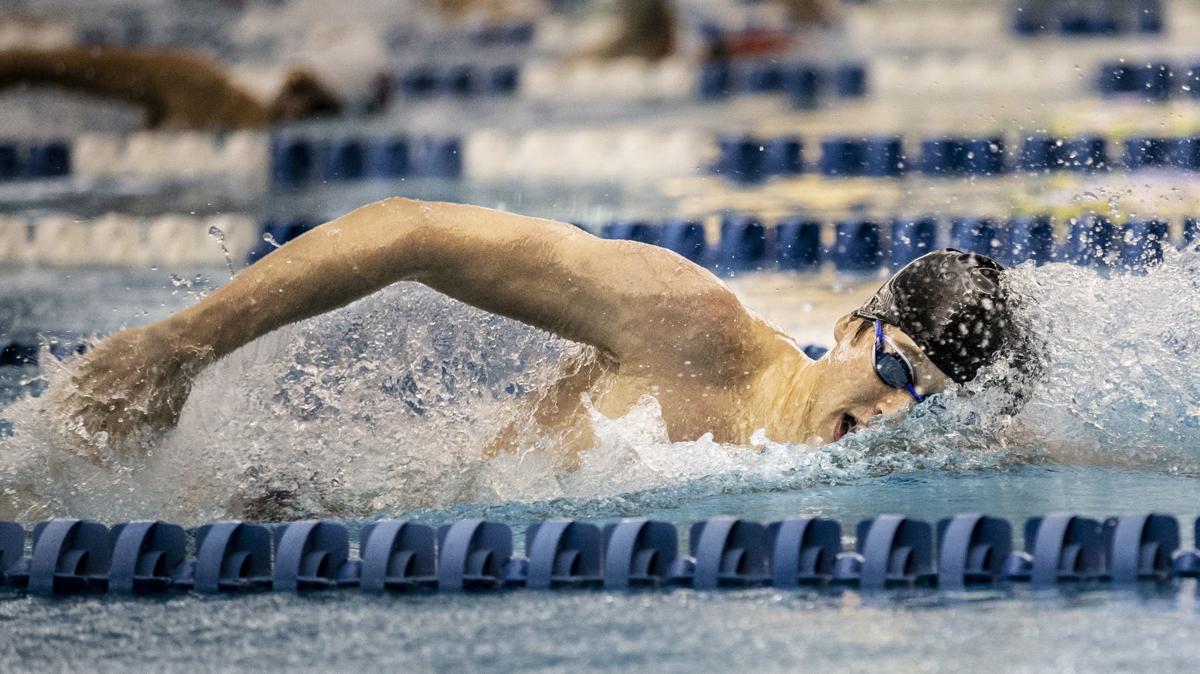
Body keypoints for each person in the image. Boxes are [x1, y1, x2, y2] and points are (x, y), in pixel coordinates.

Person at [55, 198, 1032, 465]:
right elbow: (412, 229)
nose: (898, 411)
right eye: (897, 368)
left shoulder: (902, 468)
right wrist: (181, 342)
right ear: (853, 326)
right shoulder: (684, 321)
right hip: (314, 525)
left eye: (929, 401)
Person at [0, 46, 342, 129]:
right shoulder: (248, 113)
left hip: (185, 73)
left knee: (49, 67)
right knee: (47, 67)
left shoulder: (245, 106)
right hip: (183, 78)